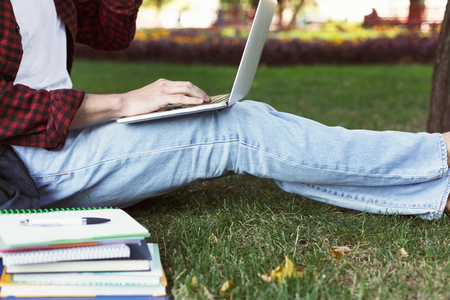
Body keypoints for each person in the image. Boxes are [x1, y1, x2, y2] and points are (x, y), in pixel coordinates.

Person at [2, 0, 450, 221]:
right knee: (234, 129)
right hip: (22, 162)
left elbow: (110, 30)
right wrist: (122, 103)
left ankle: (436, 190)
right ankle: (439, 156)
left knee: (238, 121)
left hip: (68, 135)